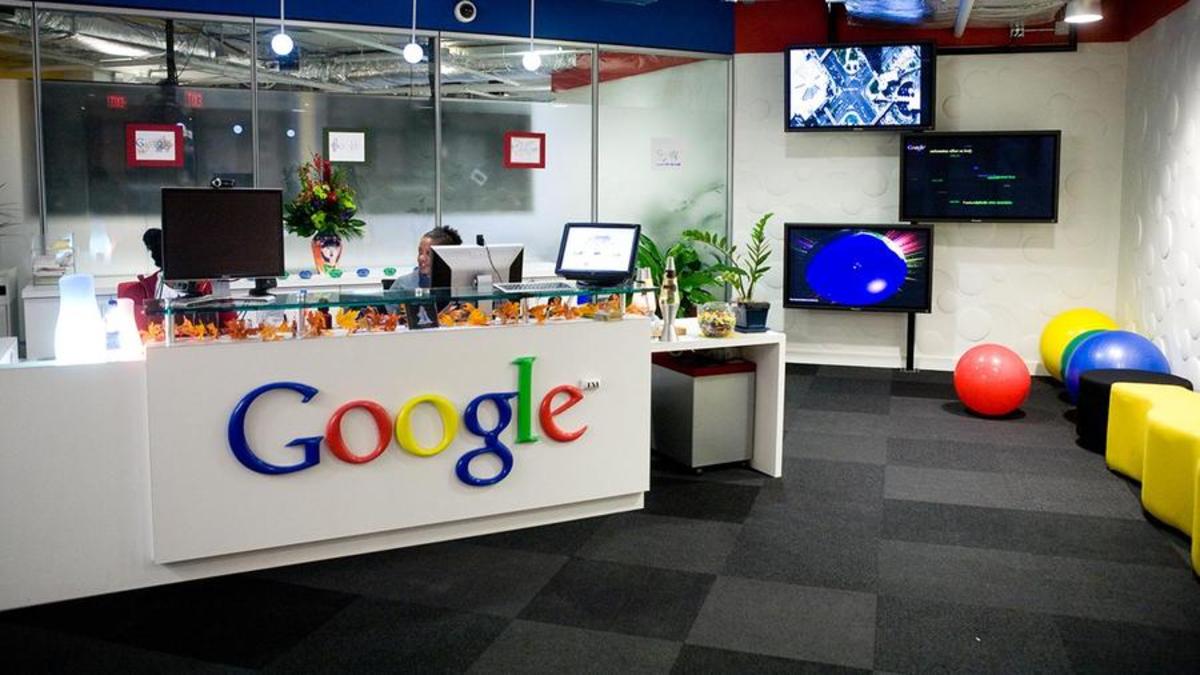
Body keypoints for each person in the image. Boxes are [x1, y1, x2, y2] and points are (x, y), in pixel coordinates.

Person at [389, 225, 463, 290]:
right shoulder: (403, 285)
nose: (421, 258)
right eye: (420, 252)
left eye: (428, 254)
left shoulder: (461, 285)